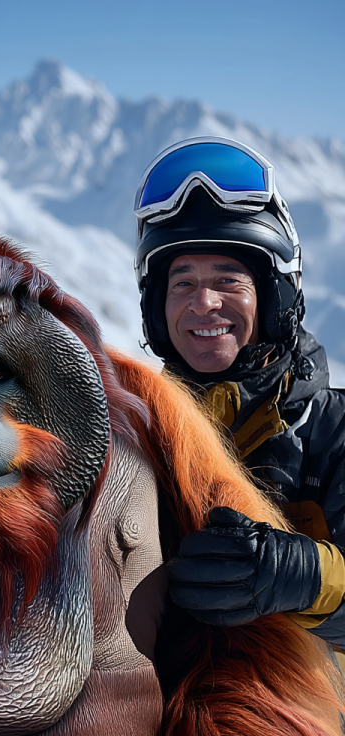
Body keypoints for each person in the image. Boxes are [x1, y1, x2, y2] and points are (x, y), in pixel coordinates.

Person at [133, 136, 345, 647]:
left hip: (314, 697)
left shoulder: (333, 431)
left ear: (274, 298)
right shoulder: (132, 434)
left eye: (228, 281)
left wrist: (300, 577)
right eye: (182, 283)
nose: (203, 303)